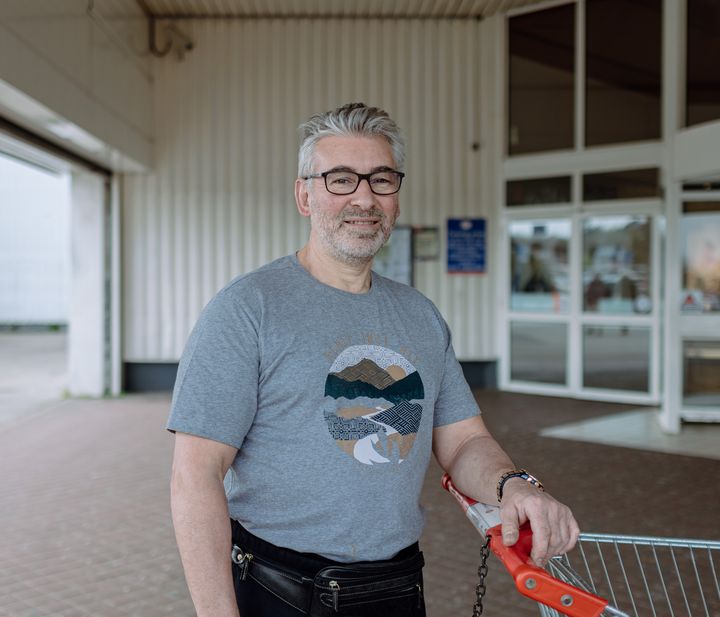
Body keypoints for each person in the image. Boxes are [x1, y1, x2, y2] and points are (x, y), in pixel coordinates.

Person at [167, 102, 579, 617]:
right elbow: (195, 477)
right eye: (340, 179)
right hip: (278, 590)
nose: (364, 197)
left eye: (381, 180)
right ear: (304, 194)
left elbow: (465, 441)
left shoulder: (419, 315)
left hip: (397, 587)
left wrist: (514, 486)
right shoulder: (248, 308)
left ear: (397, 198)